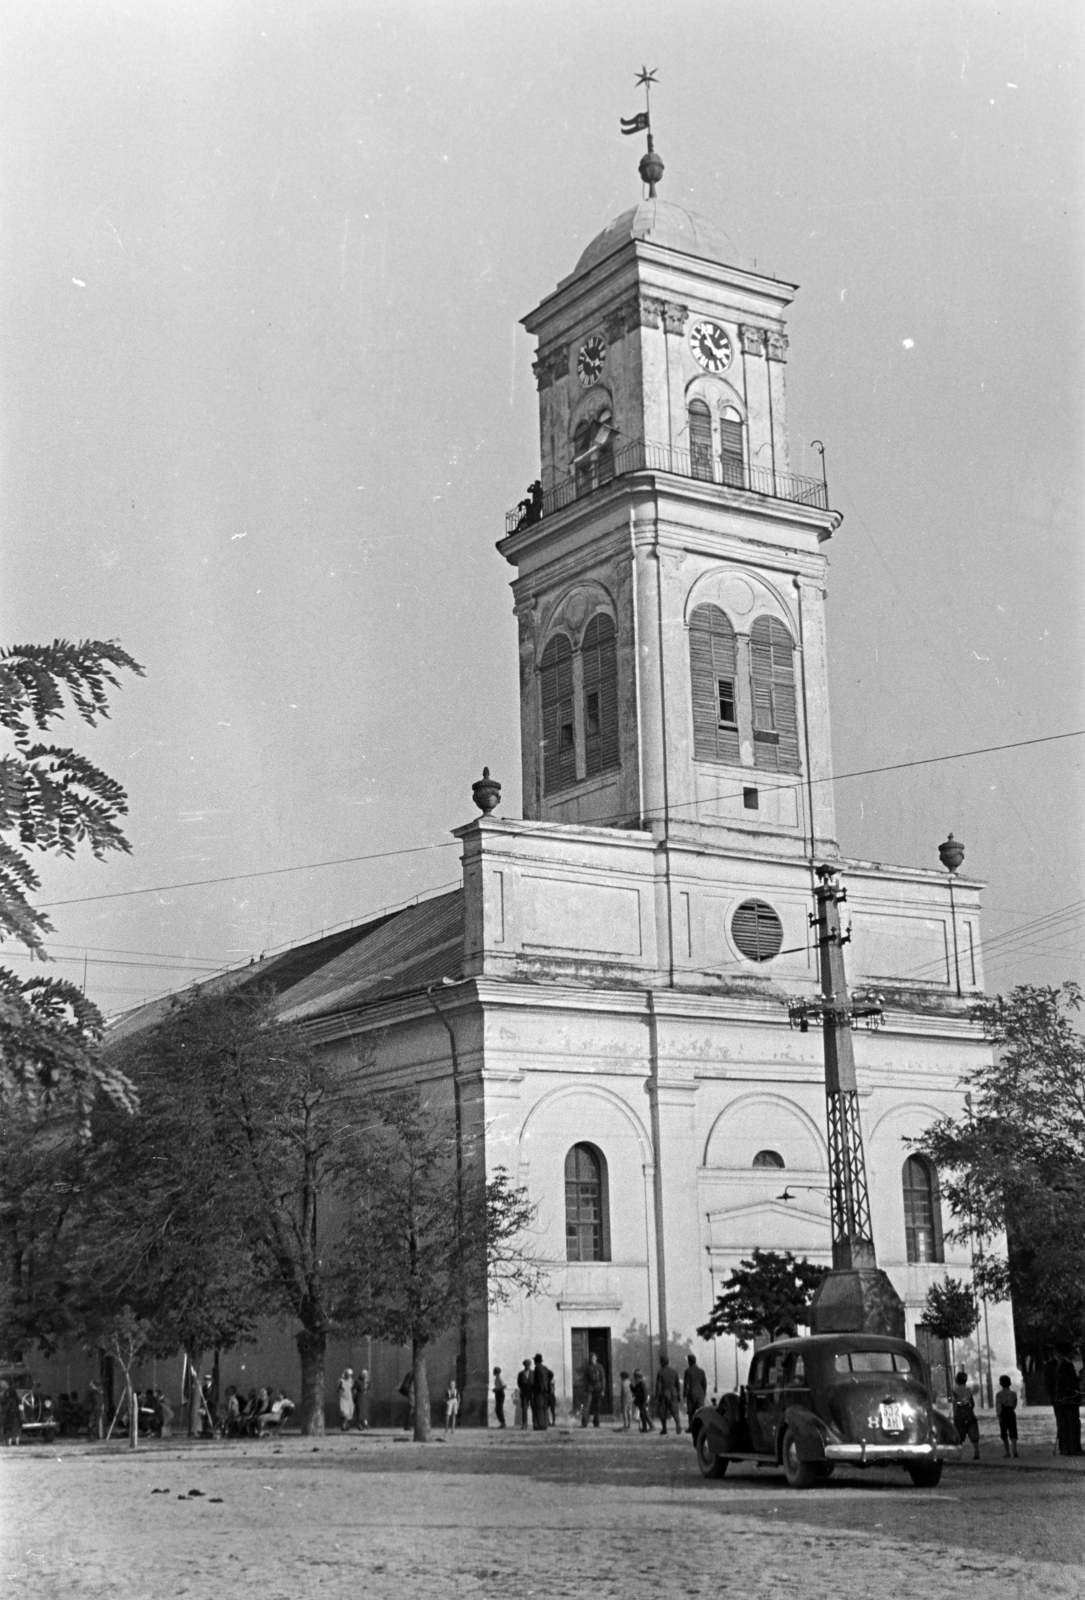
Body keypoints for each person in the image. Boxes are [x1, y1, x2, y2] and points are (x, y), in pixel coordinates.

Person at [1053, 1346, 1083, 1456]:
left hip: (1064, 1399)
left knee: (1066, 1424)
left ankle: (1067, 1448)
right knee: (1073, 1424)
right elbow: (1068, 1382)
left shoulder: (1061, 1364)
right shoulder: (1066, 1364)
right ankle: (1074, 1448)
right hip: (1069, 1399)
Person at [952, 1370, 980, 1459]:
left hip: (960, 1414)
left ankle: (958, 1455)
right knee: (973, 1433)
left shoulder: (955, 1391)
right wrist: (969, 1410)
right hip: (969, 1412)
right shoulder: (968, 1390)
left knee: (959, 1434)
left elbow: (955, 1404)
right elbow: (973, 1404)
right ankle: (976, 1452)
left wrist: (955, 1414)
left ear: (957, 1380)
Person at [655, 1355, 682, 1435]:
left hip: (664, 1393)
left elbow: (659, 1386)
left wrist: (657, 1397)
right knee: (674, 1411)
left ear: (662, 1362)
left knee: (663, 1411)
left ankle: (664, 1429)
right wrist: (678, 1395)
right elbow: (677, 1384)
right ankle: (678, 1424)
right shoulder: (674, 1372)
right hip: (674, 1392)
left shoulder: (660, 1372)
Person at [995, 1374, 1018, 1458]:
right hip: (1011, 1413)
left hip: (1003, 1414)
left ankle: (1007, 1452)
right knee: (1013, 1432)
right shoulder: (1014, 1394)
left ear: (1000, 1384)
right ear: (1010, 1383)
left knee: (1004, 1433)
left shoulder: (999, 1395)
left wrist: (999, 1416)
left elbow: (998, 1406)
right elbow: (1015, 1405)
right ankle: (1014, 1450)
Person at [580, 1351, 606, 1429]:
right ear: (590, 1359)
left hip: (598, 1388)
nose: (593, 1359)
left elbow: (603, 1379)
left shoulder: (600, 1366)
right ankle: (584, 1423)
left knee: (597, 1406)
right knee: (586, 1406)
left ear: (596, 1358)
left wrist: (603, 1390)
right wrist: (584, 1389)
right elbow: (585, 1379)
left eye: (594, 1357)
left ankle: (596, 1423)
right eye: (591, 1358)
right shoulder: (587, 1367)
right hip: (589, 1388)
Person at [682, 1354, 707, 1430]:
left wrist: (684, 1395)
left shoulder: (687, 1371)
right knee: (701, 1410)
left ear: (689, 1362)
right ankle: (702, 1426)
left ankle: (691, 1427)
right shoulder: (701, 1371)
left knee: (691, 1411)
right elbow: (704, 1384)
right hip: (700, 1393)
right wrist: (704, 1393)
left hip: (691, 1393)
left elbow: (686, 1384)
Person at [531, 1353, 552, 1431]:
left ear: (536, 1361)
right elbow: (551, 1374)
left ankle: (540, 1425)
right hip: (545, 1390)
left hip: (538, 1390)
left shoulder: (537, 1368)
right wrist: (547, 1382)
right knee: (544, 1408)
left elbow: (536, 1381)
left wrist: (534, 1388)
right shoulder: (545, 1368)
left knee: (539, 1408)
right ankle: (545, 1425)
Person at [631, 1369, 652, 1433]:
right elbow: (634, 1391)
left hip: (643, 1401)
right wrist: (631, 1386)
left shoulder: (642, 1383)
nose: (634, 1379)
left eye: (635, 1377)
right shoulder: (638, 1384)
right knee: (642, 1415)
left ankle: (651, 1425)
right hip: (640, 1402)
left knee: (644, 1414)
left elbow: (645, 1393)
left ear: (638, 1377)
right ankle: (644, 1428)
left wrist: (645, 1401)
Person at [0, 1380, 21, 1447]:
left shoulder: (9, 1391)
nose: (2, 1386)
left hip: (9, 1412)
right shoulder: (6, 1392)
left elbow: (14, 1399)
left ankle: (8, 1441)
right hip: (10, 1412)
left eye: (2, 1385)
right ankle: (10, 1441)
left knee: (9, 1426)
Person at [516, 1360, 532, 1429]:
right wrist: (522, 1389)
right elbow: (519, 1383)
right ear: (524, 1365)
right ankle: (525, 1424)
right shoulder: (521, 1373)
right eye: (526, 1365)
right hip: (524, 1393)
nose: (527, 1366)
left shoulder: (533, 1373)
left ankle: (536, 1424)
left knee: (534, 1408)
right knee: (524, 1409)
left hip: (532, 1393)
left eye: (528, 1364)